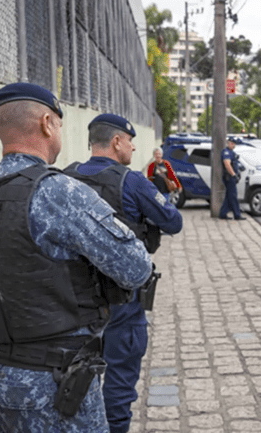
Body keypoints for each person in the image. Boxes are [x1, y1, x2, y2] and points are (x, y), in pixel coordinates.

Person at [0, 83, 152, 432]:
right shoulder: (57, 191)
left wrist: (4, 339)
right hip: (55, 385)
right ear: (46, 123)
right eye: (59, 123)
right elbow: (135, 269)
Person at [63, 114, 183, 433]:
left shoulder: (64, 177)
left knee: (73, 385)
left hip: (72, 301)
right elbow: (174, 222)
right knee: (117, 387)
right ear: (117, 142)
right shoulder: (131, 181)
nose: (133, 147)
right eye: (130, 141)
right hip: (121, 302)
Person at [218, 137, 245, 220]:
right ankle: (237, 215)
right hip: (229, 177)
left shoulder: (231, 152)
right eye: (232, 143)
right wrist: (233, 175)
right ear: (228, 143)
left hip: (231, 177)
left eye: (234, 144)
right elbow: (227, 164)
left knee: (229, 196)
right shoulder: (226, 152)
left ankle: (222, 213)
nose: (233, 145)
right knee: (233, 196)